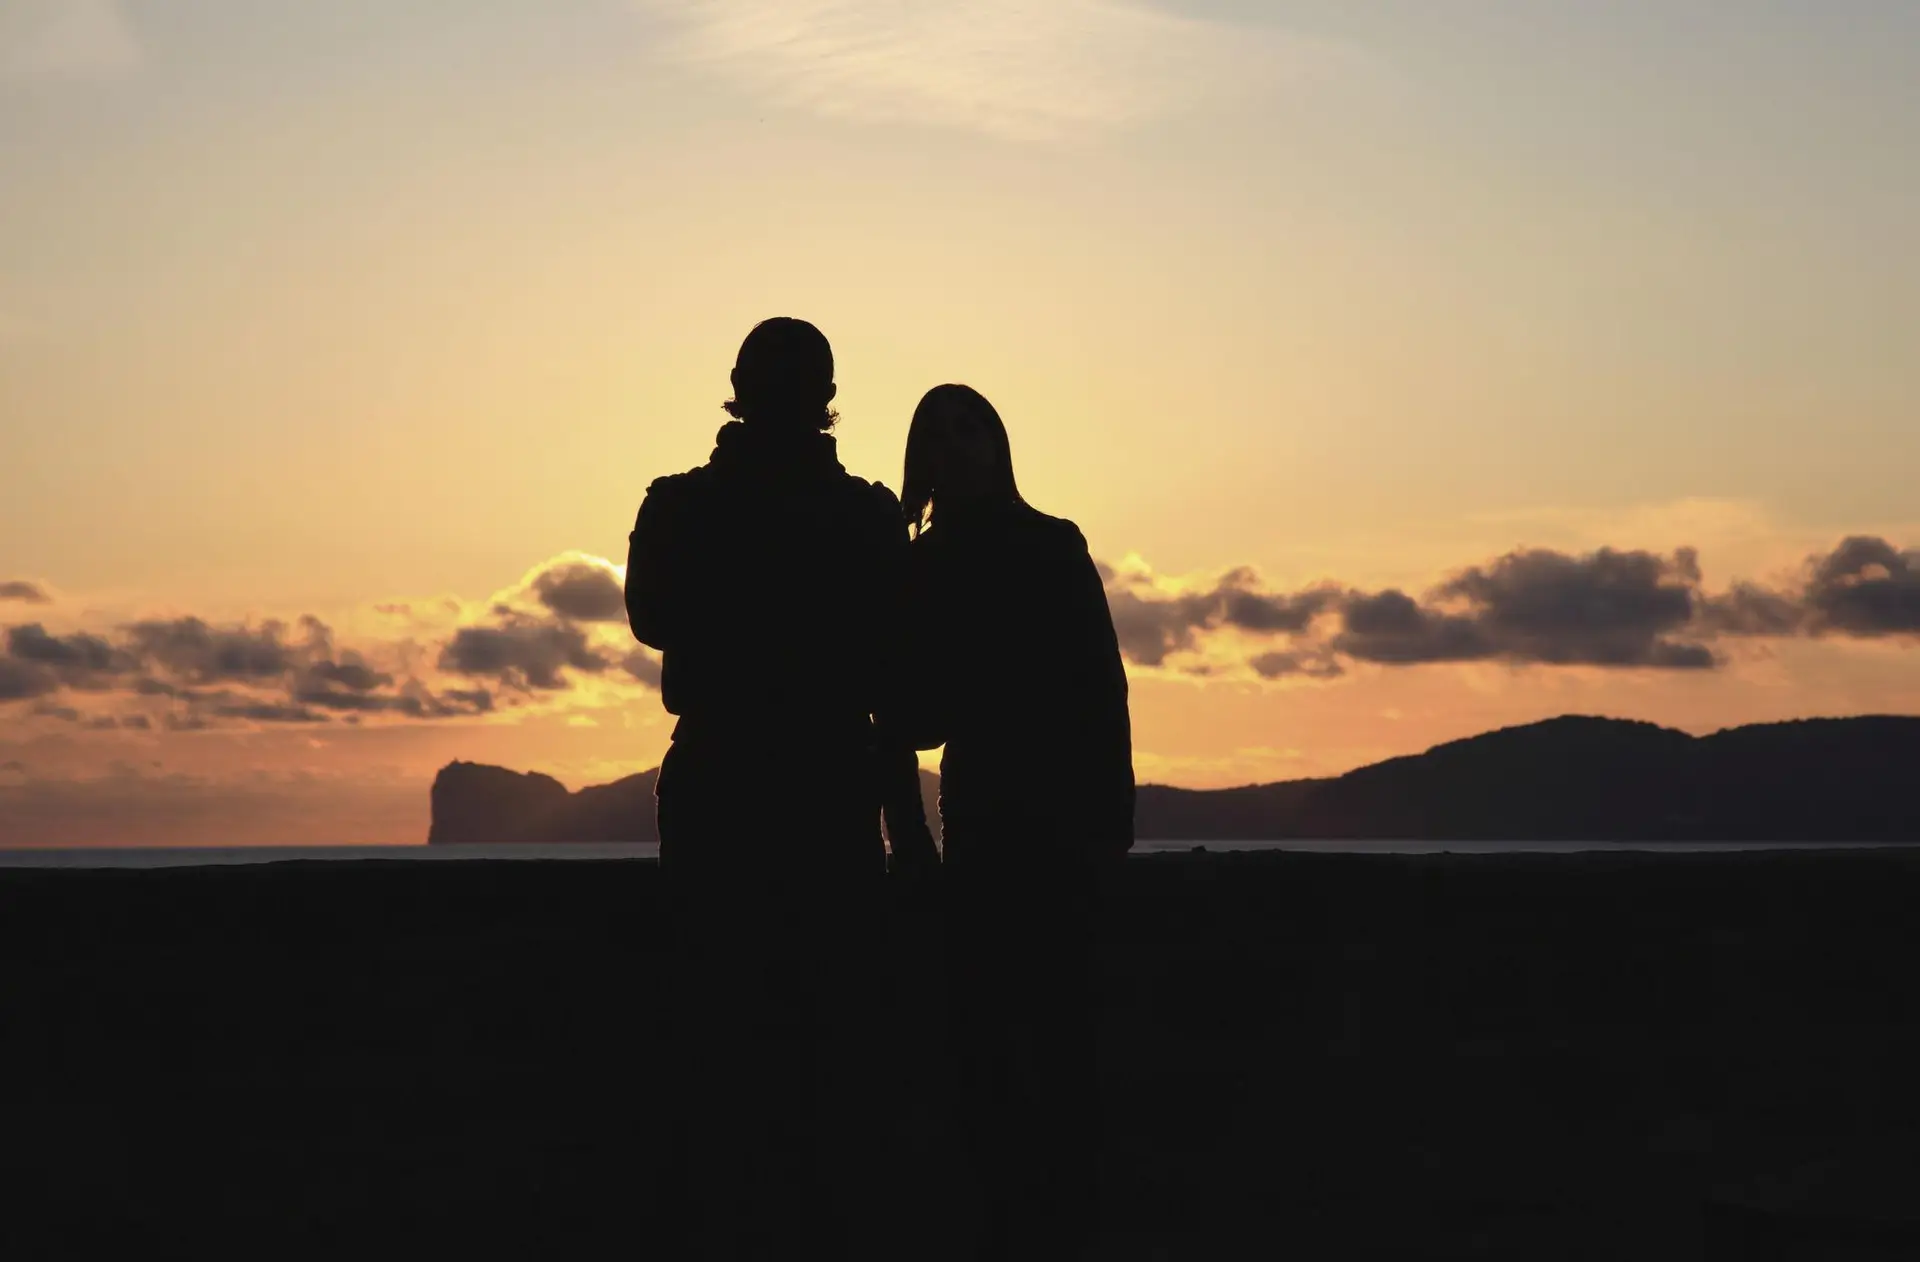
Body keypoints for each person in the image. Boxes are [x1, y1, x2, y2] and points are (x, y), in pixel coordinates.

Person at [625, 318, 937, 1258]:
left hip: (746, 789)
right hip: (806, 792)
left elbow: (655, 617)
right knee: (807, 1053)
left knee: (745, 1050)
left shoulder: (683, 507)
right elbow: (893, 676)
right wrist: (910, 831)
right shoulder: (858, 516)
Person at [889, 383, 1135, 1260]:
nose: (957, 446)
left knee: (1067, 1055)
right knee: (983, 1059)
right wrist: (909, 837)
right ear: (922, 460)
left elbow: (1105, 691)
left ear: (997, 445)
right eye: (939, 435)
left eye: (972, 428)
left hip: (1064, 828)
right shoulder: (917, 568)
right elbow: (904, 717)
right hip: (982, 826)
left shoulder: (1052, 544)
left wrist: (1115, 828)